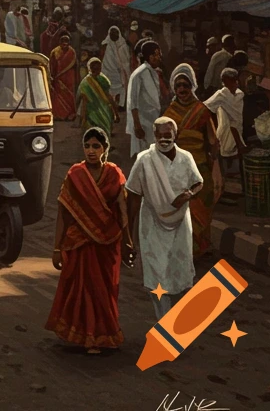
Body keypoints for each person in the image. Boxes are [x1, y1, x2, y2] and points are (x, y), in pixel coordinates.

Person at [46, 127, 131, 354]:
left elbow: (123, 212)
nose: (91, 151)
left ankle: (103, 334)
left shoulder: (114, 174)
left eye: (96, 146)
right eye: (87, 146)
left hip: (108, 242)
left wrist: (128, 241)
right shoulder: (75, 175)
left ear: (105, 149)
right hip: (79, 242)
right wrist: (57, 248)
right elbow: (63, 215)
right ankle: (86, 337)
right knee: (81, 289)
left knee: (104, 290)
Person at [125, 116, 203, 317]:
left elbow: (198, 182)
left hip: (180, 225)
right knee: (156, 274)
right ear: (154, 136)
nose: (163, 140)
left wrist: (189, 194)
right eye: (159, 136)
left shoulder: (186, 158)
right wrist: (128, 235)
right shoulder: (144, 160)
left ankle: (178, 320)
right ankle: (163, 321)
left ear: (175, 135)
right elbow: (133, 197)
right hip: (152, 225)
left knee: (181, 271)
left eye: (167, 135)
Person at [164, 65, 221, 259]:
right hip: (178, 170)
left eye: (186, 85)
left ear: (192, 86)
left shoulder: (202, 111)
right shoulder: (169, 114)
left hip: (200, 169)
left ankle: (200, 247)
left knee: (201, 208)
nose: (182, 89)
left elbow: (213, 141)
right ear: (174, 88)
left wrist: (215, 166)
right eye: (178, 85)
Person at [205, 63, 247, 187]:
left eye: (236, 80)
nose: (235, 83)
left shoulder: (239, 95)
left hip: (238, 130)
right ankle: (226, 192)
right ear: (224, 81)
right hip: (226, 131)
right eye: (232, 81)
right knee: (226, 161)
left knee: (233, 165)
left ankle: (232, 190)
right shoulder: (221, 95)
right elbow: (204, 108)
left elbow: (237, 119)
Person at [126, 41, 167, 159]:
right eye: (155, 55)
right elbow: (133, 102)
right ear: (148, 56)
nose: (158, 57)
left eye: (159, 54)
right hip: (142, 123)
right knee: (143, 156)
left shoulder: (153, 72)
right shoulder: (139, 74)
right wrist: (137, 125)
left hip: (152, 120)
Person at [76, 57, 120, 136]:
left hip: (103, 112)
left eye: (98, 68)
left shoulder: (102, 80)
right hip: (93, 113)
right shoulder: (86, 83)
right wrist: (83, 118)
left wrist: (116, 112)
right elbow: (84, 102)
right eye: (94, 68)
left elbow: (109, 96)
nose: (96, 70)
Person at [100, 25, 131, 110]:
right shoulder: (105, 44)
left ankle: (121, 105)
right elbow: (102, 57)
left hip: (119, 72)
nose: (114, 35)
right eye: (112, 33)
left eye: (116, 33)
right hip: (107, 71)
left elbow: (126, 59)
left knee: (122, 87)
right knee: (107, 88)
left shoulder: (123, 44)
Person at [49, 34, 77, 121]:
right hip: (58, 78)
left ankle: (70, 114)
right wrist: (52, 77)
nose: (65, 43)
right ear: (59, 42)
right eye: (63, 41)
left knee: (69, 96)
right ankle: (59, 115)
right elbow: (52, 65)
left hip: (69, 78)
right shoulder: (55, 52)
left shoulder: (72, 52)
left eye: (66, 41)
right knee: (58, 96)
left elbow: (75, 67)